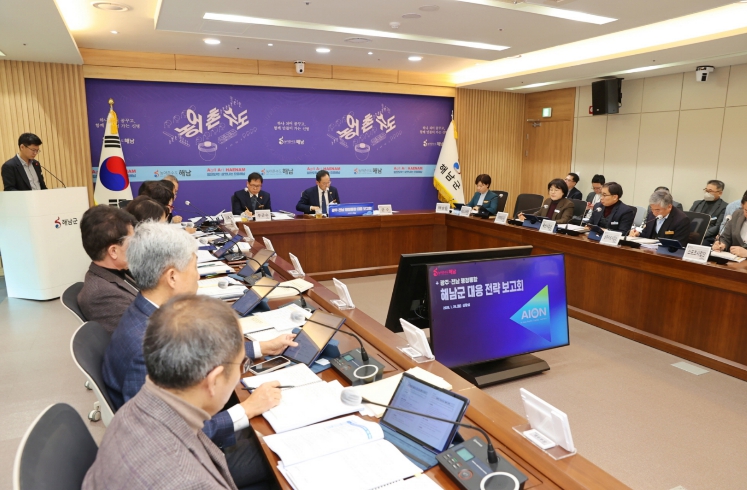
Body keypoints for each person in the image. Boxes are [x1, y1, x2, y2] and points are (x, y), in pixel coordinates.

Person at [102, 222, 296, 487]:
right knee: (279, 450)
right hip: (183, 460)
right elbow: (166, 433)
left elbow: (195, 353)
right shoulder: (144, 348)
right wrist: (247, 409)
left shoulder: (149, 315)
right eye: (194, 266)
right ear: (172, 277)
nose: (197, 276)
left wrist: (261, 348)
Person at [83, 295, 277, 490]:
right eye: (242, 364)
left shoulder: (135, 407)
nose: (240, 371)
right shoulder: (191, 482)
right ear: (213, 380)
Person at [77, 205, 139, 333]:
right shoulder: (102, 295)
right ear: (113, 251)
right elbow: (142, 335)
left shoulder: (117, 271)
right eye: (132, 243)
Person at [689, 179, 727, 245]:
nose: (707, 193)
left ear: (720, 193)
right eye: (706, 190)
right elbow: (688, 218)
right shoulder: (697, 203)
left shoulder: (724, 206)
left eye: (710, 191)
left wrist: (701, 234)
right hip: (691, 233)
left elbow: (718, 226)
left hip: (708, 237)